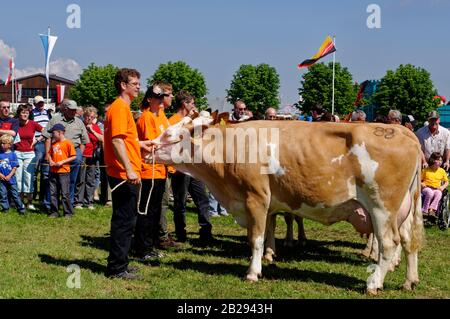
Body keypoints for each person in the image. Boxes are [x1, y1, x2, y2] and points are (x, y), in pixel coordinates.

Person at [104, 68, 153, 280]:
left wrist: (141, 144)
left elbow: (125, 140)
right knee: (123, 222)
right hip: (124, 174)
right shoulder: (119, 109)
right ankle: (116, 269)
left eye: (139, 84)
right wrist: (130, 169)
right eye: (135, 84)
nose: (138, 87)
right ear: (123, 85)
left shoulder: (124, 108)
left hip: (128, 172)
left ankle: (121, 263)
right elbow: (116, 141)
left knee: (128, 221)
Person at [168, 90, 214, 244]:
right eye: (192, 103)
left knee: (203, 199)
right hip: (179, 169)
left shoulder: (193, 120)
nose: (194, 106)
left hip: (194, 168)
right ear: (184, 104)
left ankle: (206, 234)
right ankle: (181, 234)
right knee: (180, 203)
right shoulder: (173, 120)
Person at [132, 83, 171, 261]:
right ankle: (142, 248)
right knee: (146, 211)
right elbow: (151, 143)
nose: (161, 100)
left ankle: (151, 244)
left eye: (162, 97)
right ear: (149, 99)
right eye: (157, 97)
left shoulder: (161, 115)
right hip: (149, 170)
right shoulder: (146, 117)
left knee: (155, 211)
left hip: (160, 170)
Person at [42, 100, 90, 204]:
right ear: (65, 109)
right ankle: (49, 203)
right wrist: (47, 154)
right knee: (52, 179)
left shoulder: (79, 122)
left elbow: (84, 141)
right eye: (71, 110)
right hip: (56, 150)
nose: (74, 112)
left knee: (71, 181)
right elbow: (47, 137)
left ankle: (69, 203)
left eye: (75, 110)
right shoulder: (55, 119)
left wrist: (79, 155)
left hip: (73, 150)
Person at [14, 104, 43, 210]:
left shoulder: (33, 124)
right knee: (18, 178)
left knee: (29, 178)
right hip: (17, 152)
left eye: (27, 112)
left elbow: (45, 131)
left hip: (30, 154)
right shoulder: (15, 123)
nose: (25, 114)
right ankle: (20, 202)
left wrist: (38, 140)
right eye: (22, 112)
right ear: (19, 113)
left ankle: (30, 202)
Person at [74, 107, 103, 210]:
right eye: (87, 116)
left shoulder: (95, 127)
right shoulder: (79, 125)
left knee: (90, 180)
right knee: (80, 179)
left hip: (92, 156)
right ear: (84, 116)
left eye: (92, 117)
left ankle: (89, 202)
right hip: (82, 155)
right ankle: (78, 202)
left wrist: (92, 131)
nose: (89, 118)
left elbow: (101, 139)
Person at [47, 124, 77, 219]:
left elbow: (74, 156)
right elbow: (49, 154)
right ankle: (54, 212)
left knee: (65, 193)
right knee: (53, 192)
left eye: (53, 133)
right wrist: (51, 161)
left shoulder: (68, 143)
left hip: (64, 171)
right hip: (53, 171)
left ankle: (67, 212)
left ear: (60, 133)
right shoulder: (53, 144)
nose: (52, 135)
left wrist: (62, 162)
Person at [31, 95, 52, 211]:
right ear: (34, 104)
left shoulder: (48, 113)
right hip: (37, 144)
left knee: (46, 172)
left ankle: (43, 195)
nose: (41, 104)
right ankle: (33, 194)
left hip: (47, 143)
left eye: (42, 102)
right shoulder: (31, 113)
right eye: (39, 103)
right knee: (35, 170)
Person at [0, 134, 25, 214]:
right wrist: (0, 175)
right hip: (1, 179)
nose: (1, 145)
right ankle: (5, 208)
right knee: (2, 194)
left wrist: (9, 176)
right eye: (1, 143)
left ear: (10, 145)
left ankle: (21, 209)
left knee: (15, 194)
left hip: (11, 179)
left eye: (4, 143)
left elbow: (14, 167)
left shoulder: (13, 155)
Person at [421, 152, 449, 218]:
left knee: (439, 193)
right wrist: (421, 183)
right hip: (426, 188)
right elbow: (419, 179)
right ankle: (425, 210)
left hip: (436, 189)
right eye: (438, 160)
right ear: (433, 160)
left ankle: (432, 210)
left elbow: (447, 182)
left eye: (441, 160)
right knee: (429, 192)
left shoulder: (441, 171)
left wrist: (442, 187)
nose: (440, 162)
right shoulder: (426, 170)